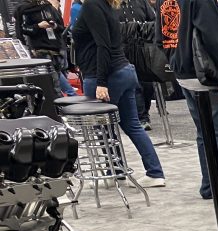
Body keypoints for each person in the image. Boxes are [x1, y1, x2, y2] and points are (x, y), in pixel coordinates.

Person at [73, 0, 166, 186]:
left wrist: (101, 82)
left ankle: (115, 172)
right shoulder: (106, 6)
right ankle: (153, 172)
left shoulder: (93, 6)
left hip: (106, 75)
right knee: (131, 125)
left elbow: (103, 46)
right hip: (122, 71)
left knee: (104, 129)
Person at [172, 0, 218, 206]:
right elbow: (214, 37)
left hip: (184, 69)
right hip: (204, 72)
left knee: (203, 131)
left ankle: (209, 185)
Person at [15, 0, 77, 95]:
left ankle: (68, 97)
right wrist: (38, 26)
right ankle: (69, 97)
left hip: (56, 48)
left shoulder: (48, 7)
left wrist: (54, 25)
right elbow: (22, 29)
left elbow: (61, 26)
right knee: (55, 79)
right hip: (40, 50)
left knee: (58, 76)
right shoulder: (24, 9)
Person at [118, 0, 158, 129]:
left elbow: (154, 20)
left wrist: (142, 27)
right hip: (124, 49)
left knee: (147, 85)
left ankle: (144, 113)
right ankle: (141, 117)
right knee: (135, 85)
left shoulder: (140, 2)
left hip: (143, 48)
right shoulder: (112, 5)